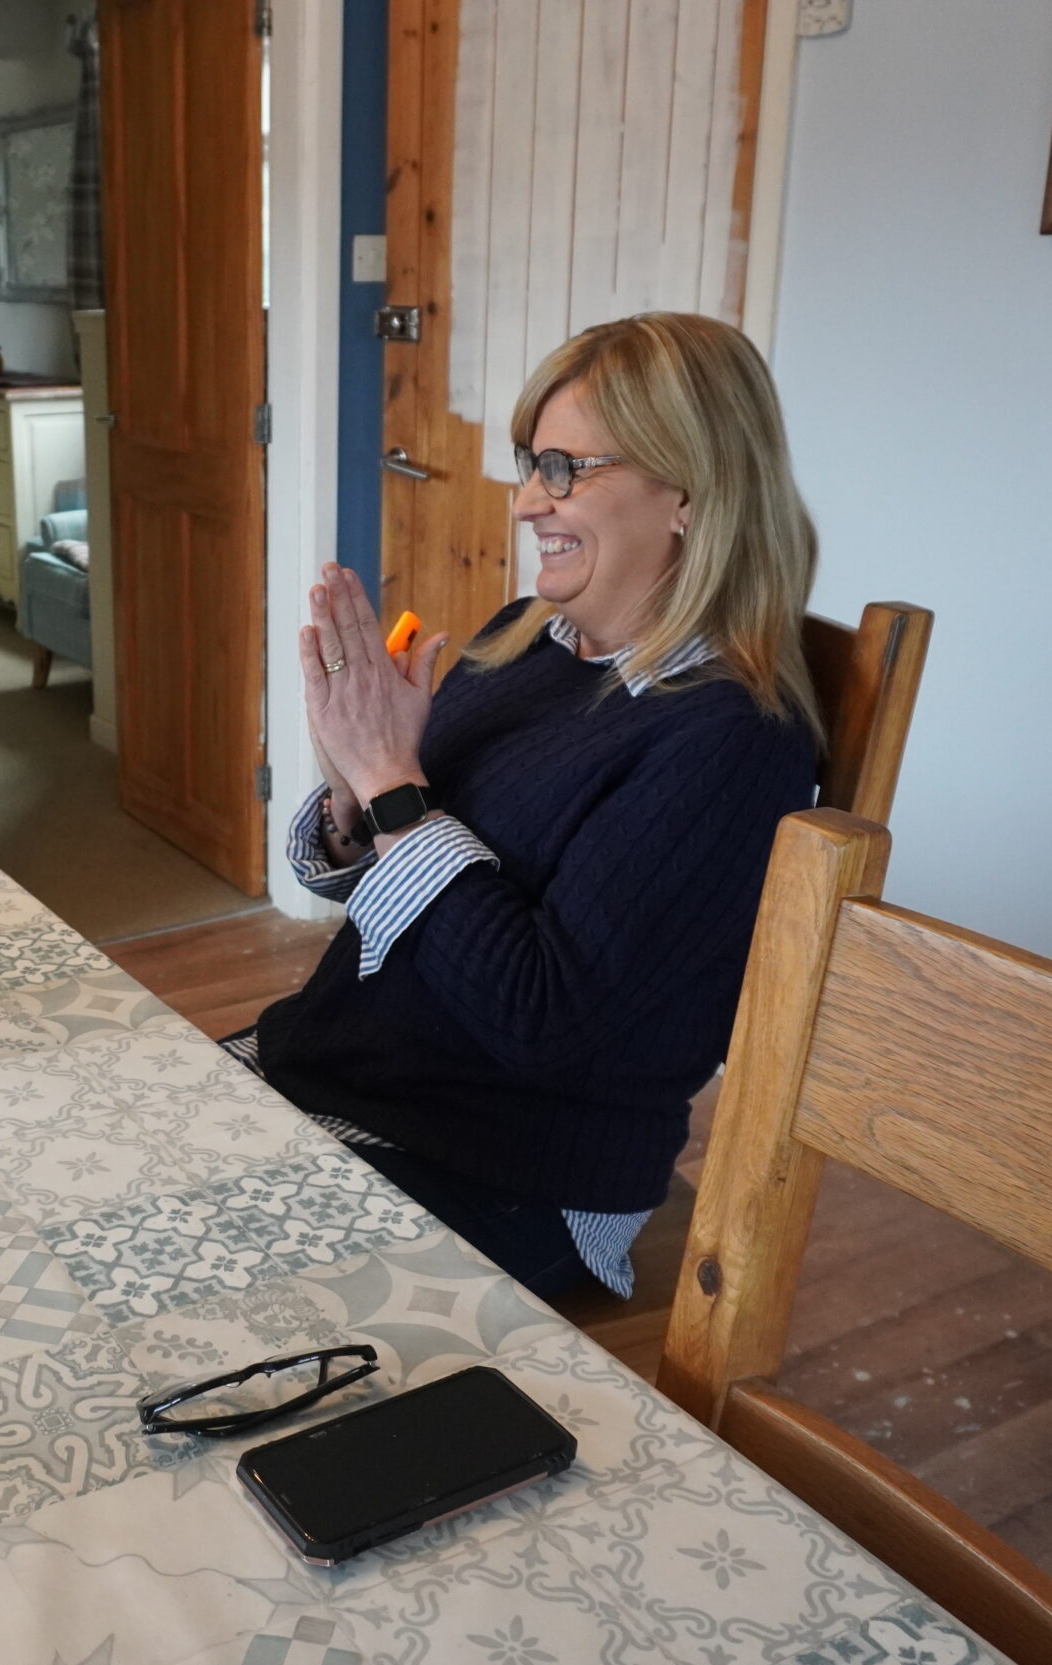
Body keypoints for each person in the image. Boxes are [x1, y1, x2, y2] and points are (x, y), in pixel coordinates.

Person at [229, 311, 824, 1298]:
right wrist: (353, 786)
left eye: (565, 469)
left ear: (689, 491)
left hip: (505, 1169)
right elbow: (385, 887)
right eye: (529, 463)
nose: (523, 505)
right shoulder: (522, 640)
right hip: (346, 1072)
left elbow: (542, 1016)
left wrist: (393, 783)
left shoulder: (729, 739)